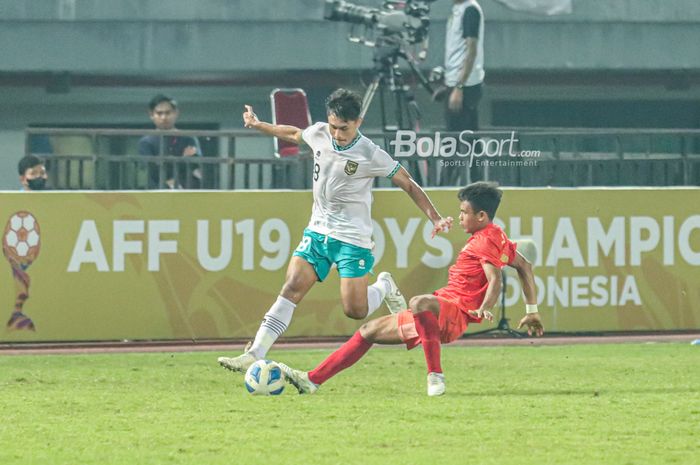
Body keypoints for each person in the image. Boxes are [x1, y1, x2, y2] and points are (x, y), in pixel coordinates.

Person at [217, 88, 454, 373]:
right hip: (317, 231)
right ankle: (256, 352)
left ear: (358, 122)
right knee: (292, 286)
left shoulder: (370, 154)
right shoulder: (319, 133)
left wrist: (435, 217)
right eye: (333, 126)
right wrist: (258, 125)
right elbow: (293, 133)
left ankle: (384, 286)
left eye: (344, 128)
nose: (338, 134)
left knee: (354, 310)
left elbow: (407, 182)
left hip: (352, 240)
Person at [275, 182, 545, 396]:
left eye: (464, 212)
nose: (460, 216)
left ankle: (435, 375)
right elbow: (525, 266)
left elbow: (495, 278)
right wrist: (532, 311)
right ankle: (311, 380)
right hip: (443, 306)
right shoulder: (497, 236)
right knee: (368, 331)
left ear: (481, 215)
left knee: (419, 302)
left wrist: (485, 307)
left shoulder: (485, 240)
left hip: (455, 312)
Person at [436, 0, 485, 184]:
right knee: (468, 139)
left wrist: (459, 86)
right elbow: (456, 52)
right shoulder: (457, 10)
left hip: (466, 85)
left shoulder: (470, 10)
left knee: (455, 140)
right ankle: (477, 183)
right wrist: (448, 84)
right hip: (455, 81)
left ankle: (444, 186)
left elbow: (470, 50)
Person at [138, 94, 203, 189]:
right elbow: (154, 171)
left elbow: (194, 166)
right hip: (157, 193)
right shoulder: (146, 142)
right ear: (151, 115)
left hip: (186, 192)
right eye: (159, 113)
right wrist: (182, 160)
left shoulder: (189, 139)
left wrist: (166, 164)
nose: (164, 117)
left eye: (168, 113)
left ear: (176, 113)